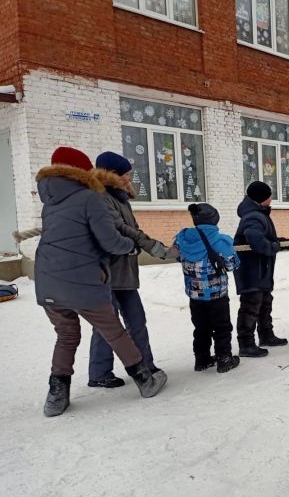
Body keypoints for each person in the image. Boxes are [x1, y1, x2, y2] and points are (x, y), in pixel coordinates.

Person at [36, 147, 166, 417]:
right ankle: (145, 378)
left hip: (48, 281)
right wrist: (130, 247)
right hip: (83, 280)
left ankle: (56, 395)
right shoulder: (90, 198)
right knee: (114, 331)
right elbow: (108, 239)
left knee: (66, 336)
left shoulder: (50, 202)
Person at [88, 152, 174, 388]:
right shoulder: (101, 198)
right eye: (126, 173)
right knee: (108, 326)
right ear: (112, 174)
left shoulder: (121, 197)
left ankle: (145, 363)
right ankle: (99, 373)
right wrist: (154, 247)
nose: (129, 177)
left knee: (137, 320)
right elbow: (122, 230)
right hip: (107, 272)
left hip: (125, 271)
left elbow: (130, 228)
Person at [233, 181, 289, 357]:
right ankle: (246, 343)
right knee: (251, 305)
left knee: (265, 303)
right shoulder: (253, 216)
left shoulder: (258, 214)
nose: (272, 198)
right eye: (269, 195)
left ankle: (266, 334)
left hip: (261, 270)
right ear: (263, 198)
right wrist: (275, 247)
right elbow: (256, 240)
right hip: (252, 271)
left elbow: (268, 239)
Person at [175, 203, 241, 373]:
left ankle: (202, 359)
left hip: (195, 294)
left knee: (200, 327)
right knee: (222, 326)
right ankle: (224, 358)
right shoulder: (220, 241)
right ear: (214, 219)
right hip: (216, 294)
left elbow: (178, 257)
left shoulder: (182, 239)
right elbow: (233, 264)